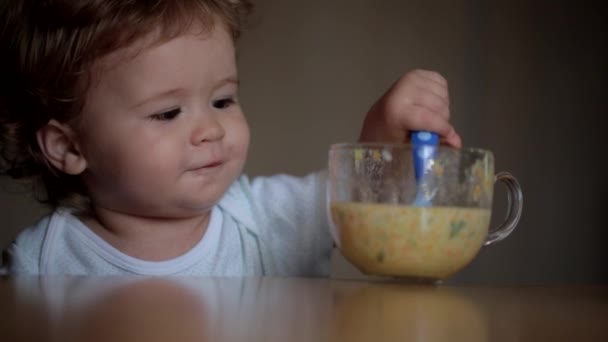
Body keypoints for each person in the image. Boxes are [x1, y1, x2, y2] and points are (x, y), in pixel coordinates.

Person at [0, 0, 461, 276]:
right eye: (168, 112)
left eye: (222, 101)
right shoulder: (40, 264)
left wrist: (383, 135)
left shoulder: (268, 222)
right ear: (69, 148)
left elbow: (365, 193)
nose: (211, 129)